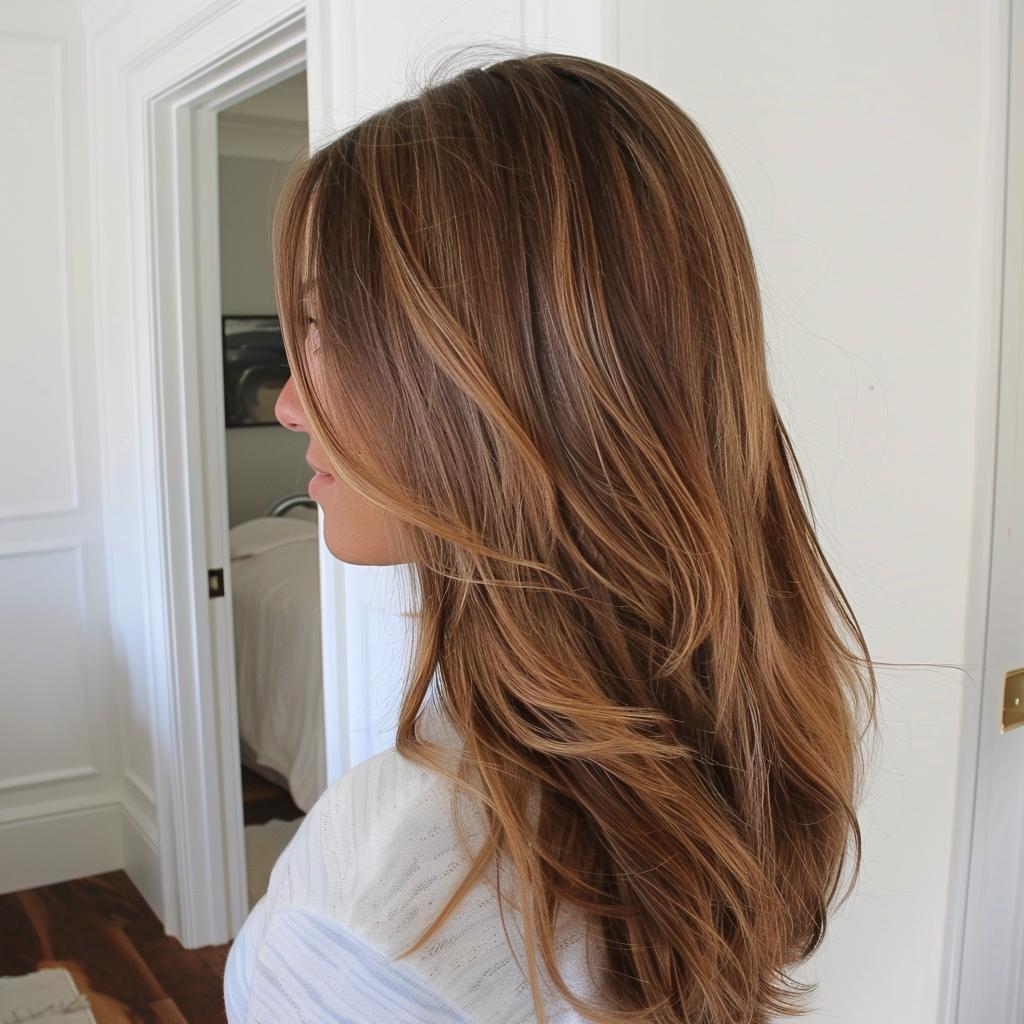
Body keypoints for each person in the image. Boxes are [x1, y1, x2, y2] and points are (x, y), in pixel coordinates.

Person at [222, 46, 880, 1024]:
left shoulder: (373, 901)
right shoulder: (760, 721)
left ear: (495, 376)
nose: (286, 403)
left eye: (328, 328)